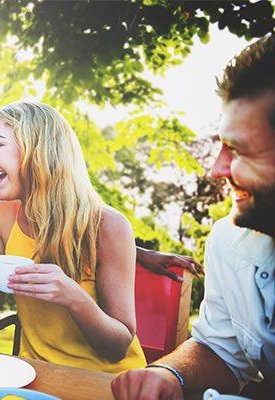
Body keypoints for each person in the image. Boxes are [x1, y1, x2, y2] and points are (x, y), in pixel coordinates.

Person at [111, 33, 275, 399]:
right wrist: (171, 374)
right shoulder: (230, 242)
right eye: (220, 146)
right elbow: (221, 350)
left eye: (239, 150)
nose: (217, 169)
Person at [0, 100, 147, 373]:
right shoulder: (1, 212)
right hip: (33, 375)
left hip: (105, 382)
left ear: (38, 151)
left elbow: (118, 347)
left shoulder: (107, 226)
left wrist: (73, 297)